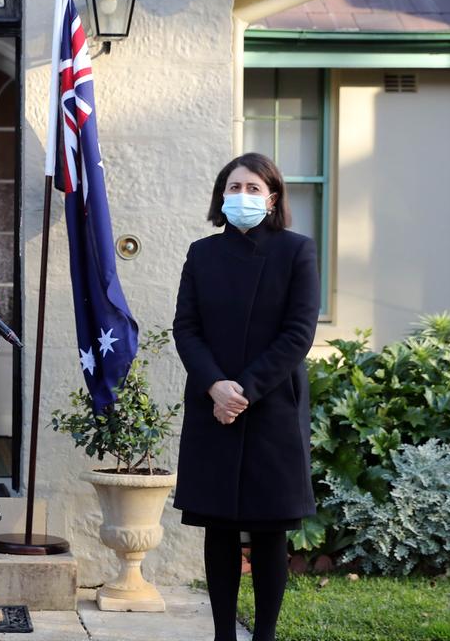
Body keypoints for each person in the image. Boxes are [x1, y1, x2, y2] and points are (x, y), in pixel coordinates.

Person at [171, 152, 319, 641]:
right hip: (213, 405)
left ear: (272, 197)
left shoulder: (297, 251)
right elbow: (186, 327)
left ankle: (265, 635)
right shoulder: (201, 253)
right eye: (233, 188)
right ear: (221, 197)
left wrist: (244, 391)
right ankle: (222, 635)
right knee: (219, 528)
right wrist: (216, 385)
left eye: (254, 188)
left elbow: (299, 333)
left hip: (273, 406)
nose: (242, 197)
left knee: (270, 529)